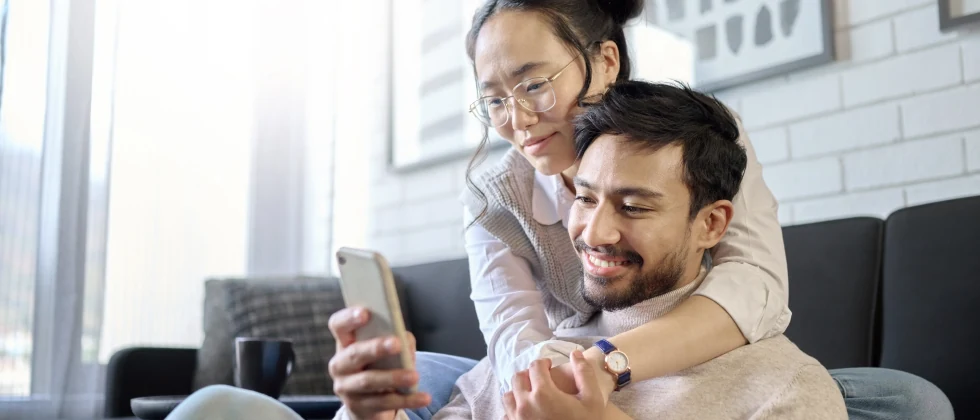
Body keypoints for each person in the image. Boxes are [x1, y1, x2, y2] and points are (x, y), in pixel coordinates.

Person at [165, 1, 952, 419]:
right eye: (493, 99)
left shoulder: (698, 139)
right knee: (422, 379)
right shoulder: (495, 191)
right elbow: (512, 330)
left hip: (654, 358)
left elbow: (753, 287)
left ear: (602, 60)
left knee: (905, 401)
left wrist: (603, 372)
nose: (518, 117)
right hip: (545, 359)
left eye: (535, 83)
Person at [427, 79, 848, 419]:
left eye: (633, 207)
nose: (595, 233)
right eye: (585, 199)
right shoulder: (528, 368)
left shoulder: (782, 390)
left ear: (711, 224)